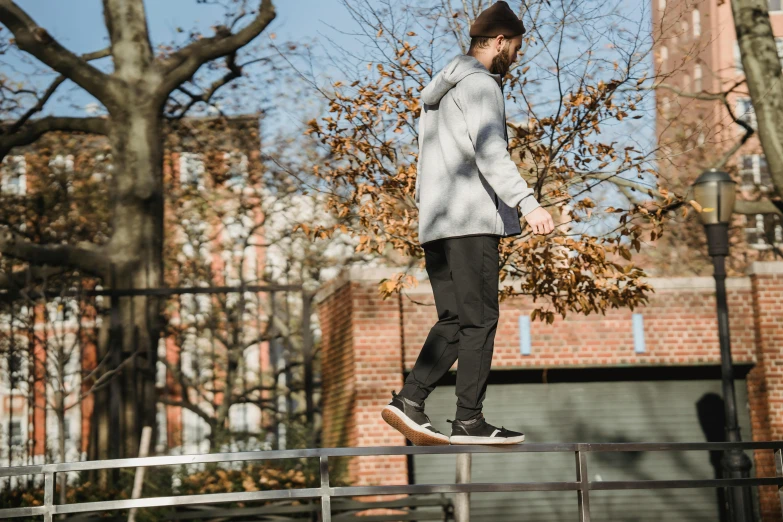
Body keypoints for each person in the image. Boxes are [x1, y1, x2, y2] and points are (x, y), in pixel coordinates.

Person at [381, 1, 555, 446]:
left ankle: (410, 401)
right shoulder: (481, 86)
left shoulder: (439, 93)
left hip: (437, 225)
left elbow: (424, 168)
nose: (516, 56)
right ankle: (468, 419)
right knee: (480, 321)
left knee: (455, 319)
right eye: (515, 47)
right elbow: (490, 152)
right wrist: (528, 204)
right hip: (471, 221)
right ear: (499, 41)